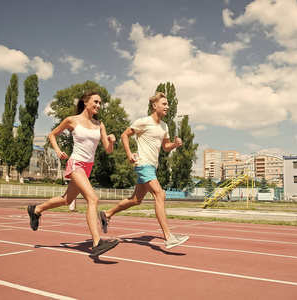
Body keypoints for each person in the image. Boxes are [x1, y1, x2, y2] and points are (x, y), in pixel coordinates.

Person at [27, 91, 119, 257]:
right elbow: (52, 135)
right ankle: (97, 242)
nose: (98, 105)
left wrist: (111, 142)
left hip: (88, 167)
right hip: (76, 163)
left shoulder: (100, 124)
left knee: (66, 200)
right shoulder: (72, 120)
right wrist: (57, 150)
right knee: (93, 199)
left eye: (100, 103)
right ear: (85, 102)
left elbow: (108, 150)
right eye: (95, 102)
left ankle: (36, 209)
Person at [98, 92, 189, 249]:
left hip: (152, 166)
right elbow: (124, 135)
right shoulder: (143, 122)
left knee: (136, 200)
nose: (168, 106)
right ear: (155, 106)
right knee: (160, 195)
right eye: (164, 104)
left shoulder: (164, 126)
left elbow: (165, 147)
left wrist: (174, 145)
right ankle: (169, 237)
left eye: (168, 104)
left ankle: (106, 215)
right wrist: (129, 154)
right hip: (143, 164)